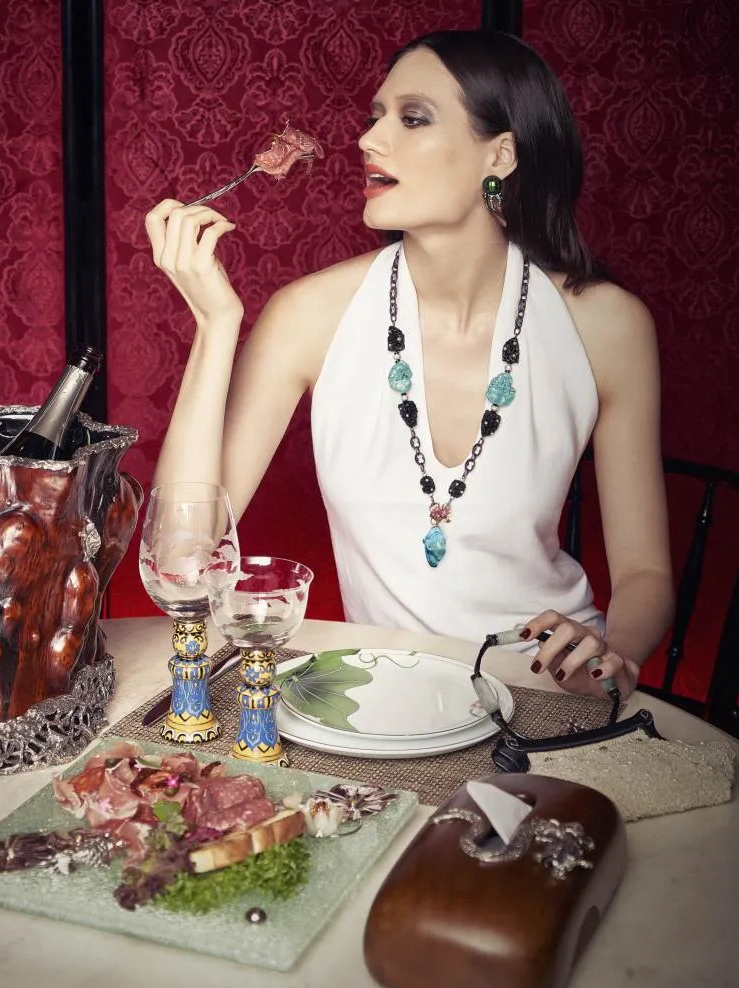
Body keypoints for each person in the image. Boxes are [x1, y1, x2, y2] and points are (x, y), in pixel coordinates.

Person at [144, 29, 673, 704]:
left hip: (551, 690)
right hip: (392, 706)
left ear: (500, 154)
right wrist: (214, 325)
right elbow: (180, 566)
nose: (368, 139)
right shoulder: (308, 316)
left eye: (412, 118)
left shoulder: (606, 325)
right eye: (374, 116)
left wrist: (613, 655)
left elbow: (644, 573)